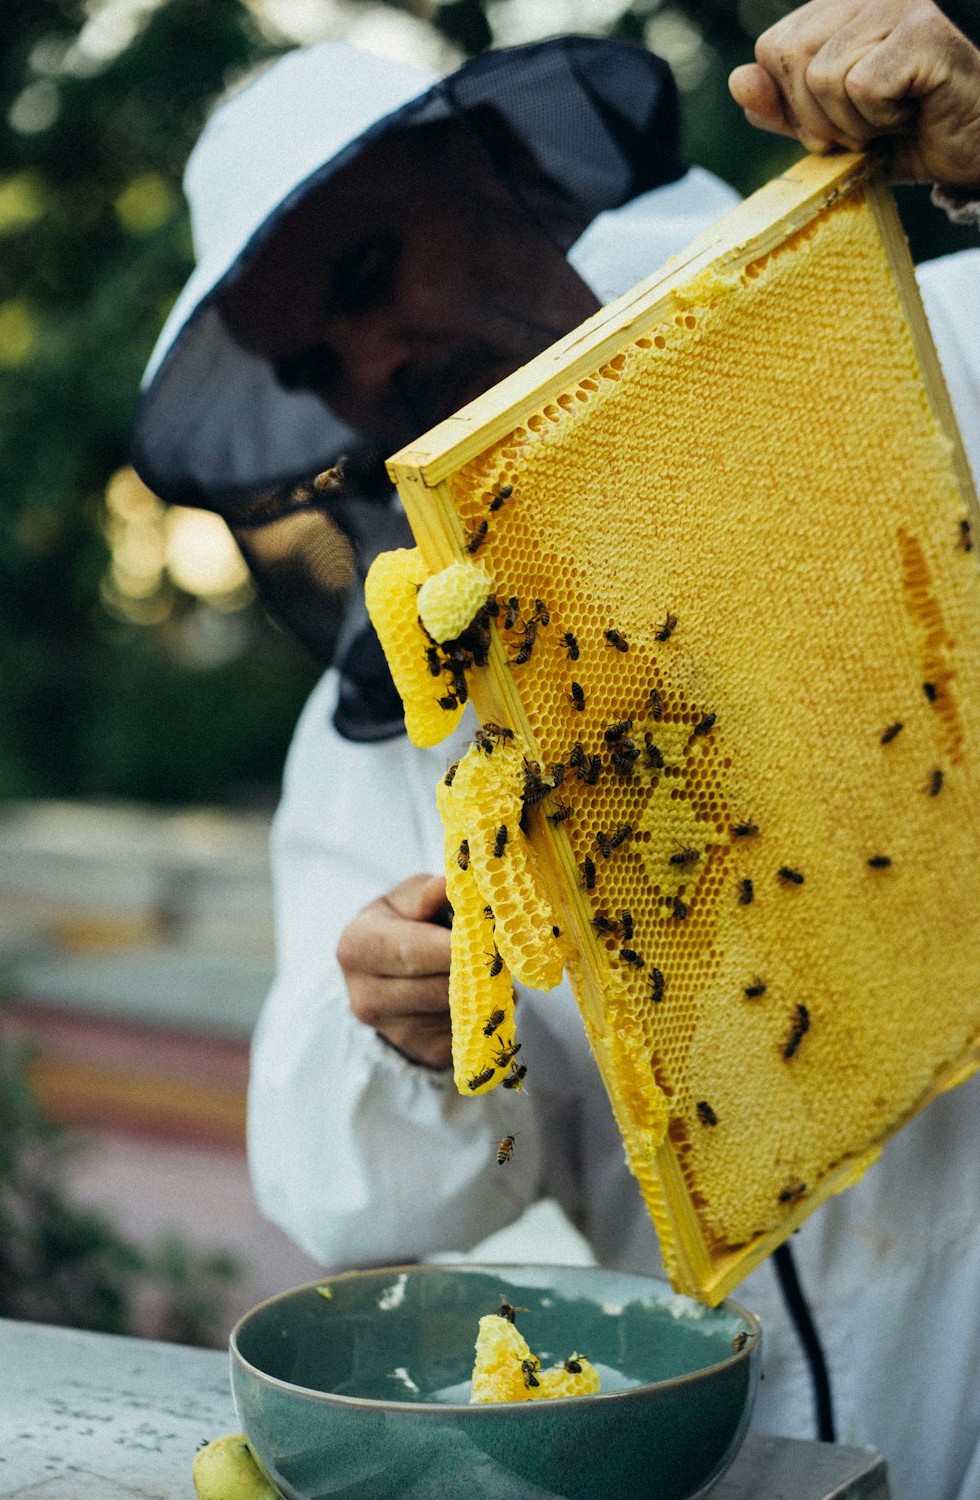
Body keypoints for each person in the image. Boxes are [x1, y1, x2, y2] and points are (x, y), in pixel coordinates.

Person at [130, 13, 980, 1498]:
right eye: (313, 357)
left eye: (367, 276)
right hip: (749, 1451)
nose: (369, 366)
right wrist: (401, 1028)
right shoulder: (395, 729)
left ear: (500, 167)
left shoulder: (941, 351)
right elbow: (342, 1198)